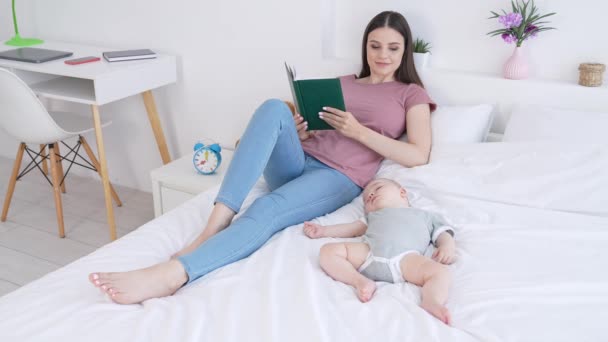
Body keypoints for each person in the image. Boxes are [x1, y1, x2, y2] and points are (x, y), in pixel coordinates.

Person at [88, 10, 437, 305]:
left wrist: (359, 131)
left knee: (266, 209)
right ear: (366, 46)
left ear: (404, 50)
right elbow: (319, 127)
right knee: (274, 107)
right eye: (375, 46)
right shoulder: (343, 82)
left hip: (339, 176)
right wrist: (301, 132)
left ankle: (175, 273)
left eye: (393, 48)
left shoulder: (410, 93)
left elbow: (418, 154)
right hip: (302, 158)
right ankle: (215, 224)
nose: (383, 55)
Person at [304, 178, 456, 325]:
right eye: (366, 199)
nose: (370, 194)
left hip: (406, 259)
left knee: (440, 272)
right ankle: (360, 281)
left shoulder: (425, 216)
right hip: (369, 254)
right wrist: (323, 230)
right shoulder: (372, 217)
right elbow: (350, 229)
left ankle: (431, 301)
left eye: (377, 188)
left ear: (402, 192)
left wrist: (447, 246)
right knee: (328, 251)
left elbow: (443, 233)